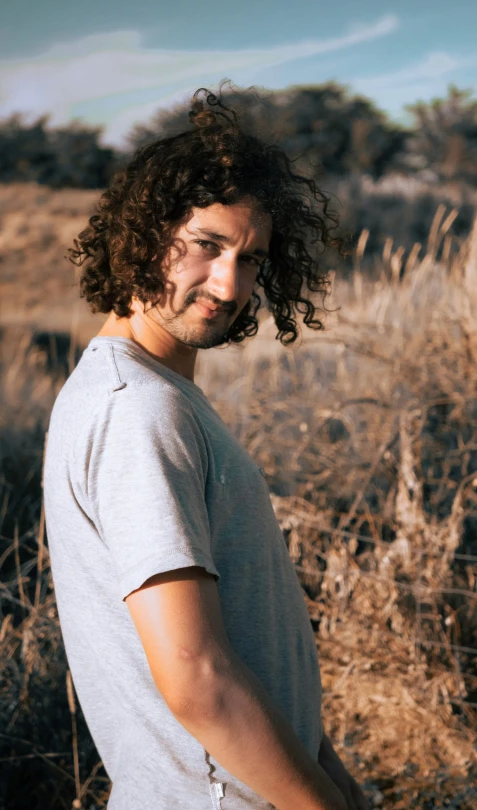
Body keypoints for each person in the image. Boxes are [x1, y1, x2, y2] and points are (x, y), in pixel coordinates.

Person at [43, 86, 367, 810]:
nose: (228, 284)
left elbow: (244, 646)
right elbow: (196, 674)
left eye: (250, 259)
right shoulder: (138, 412)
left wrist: (332, 781)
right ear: (145, 236)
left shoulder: (151, 392)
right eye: (207, 245)